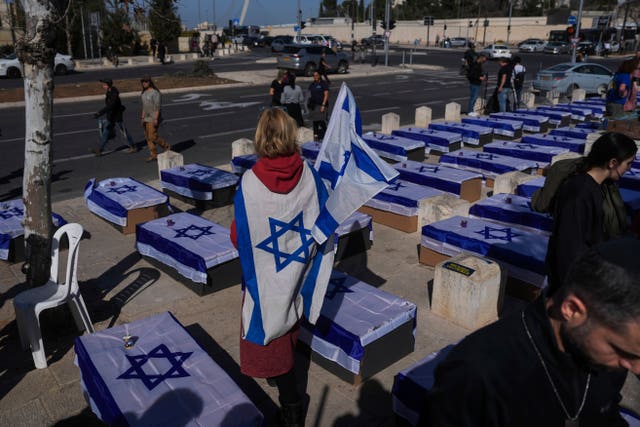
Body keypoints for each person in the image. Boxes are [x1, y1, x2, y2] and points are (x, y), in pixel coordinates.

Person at [419, 237, 640, 427]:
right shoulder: (477, 374)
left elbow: (605, 415)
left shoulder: (614, 360)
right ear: (572, 310)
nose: (636, 368)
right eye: (623, 351)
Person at [230, 108, 332, 427]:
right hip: (297, 265)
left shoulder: (249, 183)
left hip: (267, 271)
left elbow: (239, 236)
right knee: (288, 324)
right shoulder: (310, 175)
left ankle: (291, 408)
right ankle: (284, 386)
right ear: (291, 135)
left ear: (261, 137)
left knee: (270, 331)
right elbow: (322, 218)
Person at [544, 132, 637, 295]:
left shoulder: (599, 187)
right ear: (613, 162)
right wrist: (575, 294)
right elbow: (568, 248)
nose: (629, 169)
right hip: (572, 286)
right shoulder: (579, 192)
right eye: (628, 163)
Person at [92, 78, 137, 156]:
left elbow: (111, 105)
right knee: (106, 132)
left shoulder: (113, 93)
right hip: (111, 116)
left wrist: (99, 113)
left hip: (117, 116)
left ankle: (133, 146)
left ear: (109, 85)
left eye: (104, 85)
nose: (103, 86)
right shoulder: (109, 92)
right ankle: (100, 150)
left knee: (124, 132)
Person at [140, 75, 171, 162]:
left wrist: (156, 118)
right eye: (143, 82)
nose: (144, 83)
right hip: (146, 118)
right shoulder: (143, 93)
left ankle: (166, 146)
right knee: (148, 137)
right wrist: (142, 117)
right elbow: (144, 106)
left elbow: (157, 107)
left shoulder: (155, 93)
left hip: (153, 117)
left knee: (152, 136)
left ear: (150, 82)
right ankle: (154, 154)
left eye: (146, 82)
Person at [308, 71, 329, 140]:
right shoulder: (312, 84)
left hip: (321, 105)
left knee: (320, 120)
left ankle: (326, 133)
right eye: (314, 76)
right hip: (314, 105)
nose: (315, 77)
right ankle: (316, 135)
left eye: (316, 75)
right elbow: (309, 94)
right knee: (315, 121)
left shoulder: (323, 84)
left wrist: (323, 105)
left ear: (319, 76)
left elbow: (326, 95)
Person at [466, 52, 487, 117]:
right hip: (474, 83)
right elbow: (470, 75)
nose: (485, 60)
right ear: (481, 58)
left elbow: (477, 73)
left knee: (474, 97)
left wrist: (483, 76)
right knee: (473, 97)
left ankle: (471, 110)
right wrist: (479, 77)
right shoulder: (475, 64)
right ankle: (470, 111)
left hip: (477, 83)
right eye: (484, 58)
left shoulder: (479, 64)